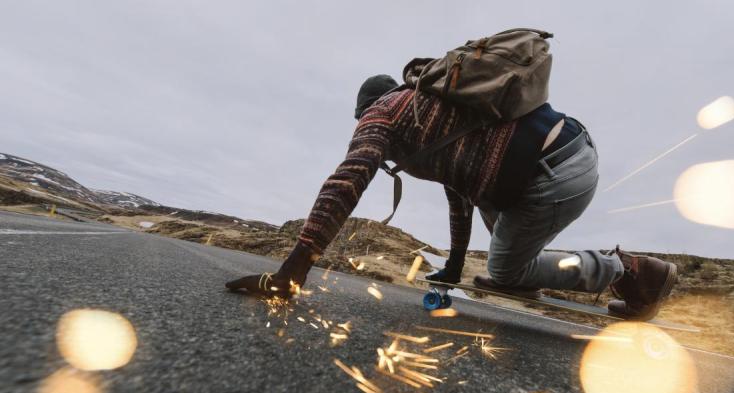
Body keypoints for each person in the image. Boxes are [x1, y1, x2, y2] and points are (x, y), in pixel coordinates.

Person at [226, 74, 678, 320]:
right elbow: (461, 194)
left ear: (367, 109)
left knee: (504, 269)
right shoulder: (433, 110)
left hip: (555, 171)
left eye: (360, 120)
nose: (362, 127)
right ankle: (525, 270)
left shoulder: (384, 112)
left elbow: (349, 178)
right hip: (559, 156)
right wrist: (457, 264)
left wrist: (294, 268)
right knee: (496, 228)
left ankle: (630, 270)